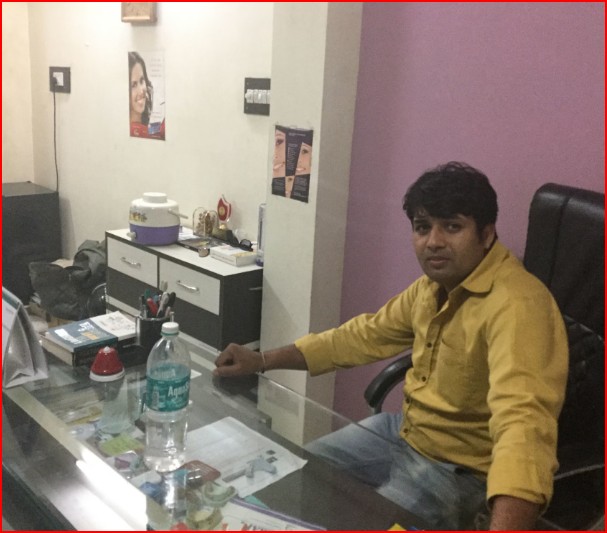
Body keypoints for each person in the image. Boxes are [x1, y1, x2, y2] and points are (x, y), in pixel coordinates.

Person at [214, 162, 568, 530]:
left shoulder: (519, 307)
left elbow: (524, 429)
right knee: (292, 478)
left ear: (487, 234)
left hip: (457, 469)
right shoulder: (433, 287)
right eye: (423, 227)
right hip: (401, 432)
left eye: (452, 227)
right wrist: (261, 359)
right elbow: (361, 336)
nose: (433, 241)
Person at [128, 51, 165, 140]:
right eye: (133, 85)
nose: (141, 90)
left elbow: (148, 130)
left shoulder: (145, 124)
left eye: (142, 80)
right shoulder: (130, 129)